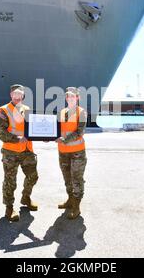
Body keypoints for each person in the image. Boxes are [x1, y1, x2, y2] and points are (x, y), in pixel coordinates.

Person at [0, 84, 39, 222]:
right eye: (15, 94)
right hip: (11, 152)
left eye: (20, 94)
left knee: (33, 176)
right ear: (11, 95)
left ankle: (26, 197)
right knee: (10, 181)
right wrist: (15, 139)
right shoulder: (4, 110)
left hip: (27, 150)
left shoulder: (27, 110)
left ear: (23, 96)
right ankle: (9, 207)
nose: (17, 96)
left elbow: (33, 129)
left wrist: (45, 137)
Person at [56, 87, 88, 220]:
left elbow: (79, 132)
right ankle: (70, 200)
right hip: (63, 152)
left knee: (77, 179)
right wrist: (48, 137)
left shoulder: (82, 112)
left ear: (77, 98)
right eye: (68, 96)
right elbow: (56, 130)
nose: (70, 98)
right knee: (67, 179)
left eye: (73, 96)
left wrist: (64, 140)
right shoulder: (61, 112)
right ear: (66, 98)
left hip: (77, 153)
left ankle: (76, 206)